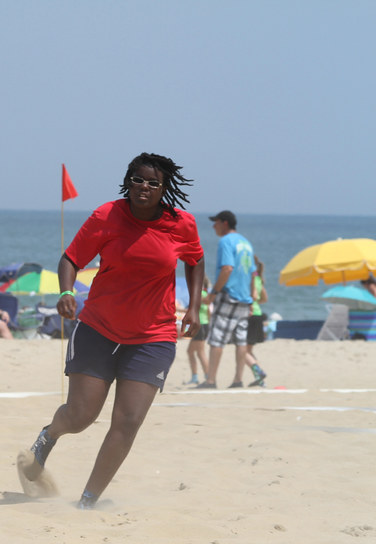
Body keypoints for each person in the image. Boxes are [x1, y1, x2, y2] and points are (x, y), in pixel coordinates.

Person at [17, 153, 204, 509]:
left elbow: (195, 260)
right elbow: (71, 259)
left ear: (165, 189)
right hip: (98, 329)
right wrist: (67, 292)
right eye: (137, 180)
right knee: (81, 416)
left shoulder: (181, 224)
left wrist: (194, 306)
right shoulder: (107, 216)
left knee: (128, 420)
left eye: (152, 183)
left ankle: (88, 500)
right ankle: (49, 435)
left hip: (153, 337)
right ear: (127, 181)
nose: (143, 188)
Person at [197, 210, 255, 389]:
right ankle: (238, 380)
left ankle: (211, 380)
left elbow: (227, 269)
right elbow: (253, 273)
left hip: (229, 294)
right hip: (244, 297)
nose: (213, 226)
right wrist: (252, 298)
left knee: (217, 339)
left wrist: (213, 293)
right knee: (241, 340)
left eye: (216, 222)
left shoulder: (226, 241)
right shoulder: (246, 243)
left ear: (225, 223)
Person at [244, 256, 268, 386]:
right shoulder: (259, 279)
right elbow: (264, 298)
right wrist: (256, 302)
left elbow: (253, 296)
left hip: (250, 315)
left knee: (242, 350)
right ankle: (260, 378)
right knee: (249, 350)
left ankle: (259, 371)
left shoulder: (250, 278)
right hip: (258, 315)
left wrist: (250, 302)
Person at [185, 275, 211, 385]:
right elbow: (209, 312)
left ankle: (208, 377)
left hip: (200, 325)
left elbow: (192, 309)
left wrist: (176, 309)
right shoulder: (205, 294)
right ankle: (195, 377)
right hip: (203, 325)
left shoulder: (199, 294)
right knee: (190, 351)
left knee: (200, 352)